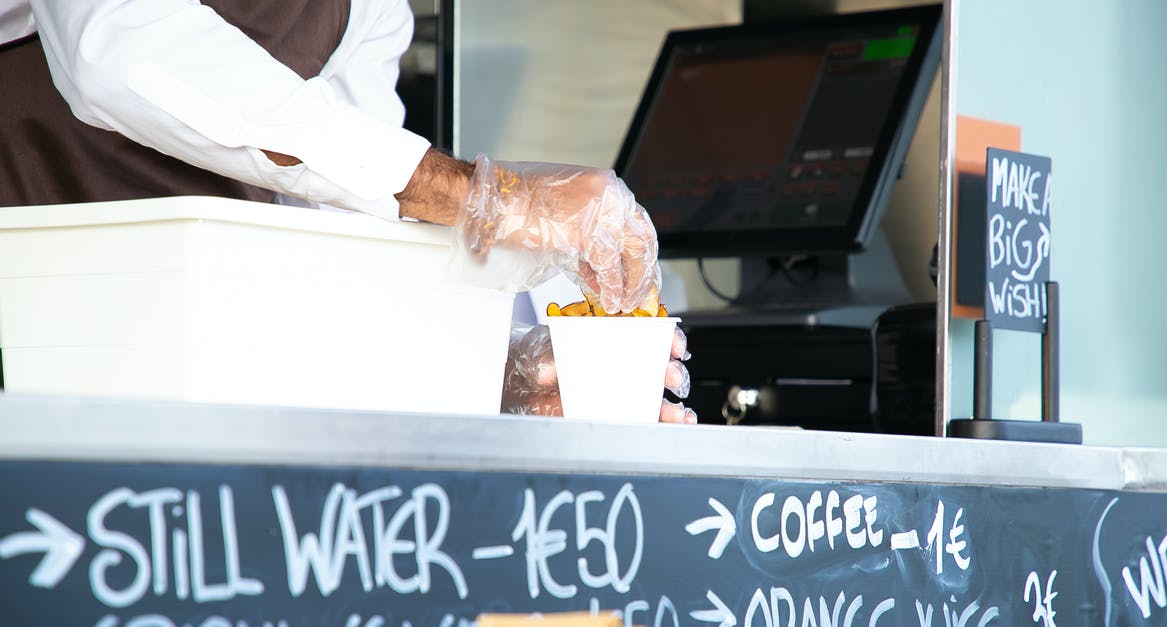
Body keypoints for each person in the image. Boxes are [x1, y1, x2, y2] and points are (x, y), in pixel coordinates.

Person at [0, 0, 695, 422]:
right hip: (29, 341)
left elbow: (350, 231)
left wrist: (499, 374)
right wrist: (479, 195)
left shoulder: (368, 13)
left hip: (190, 368)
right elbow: (116, 51)